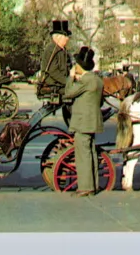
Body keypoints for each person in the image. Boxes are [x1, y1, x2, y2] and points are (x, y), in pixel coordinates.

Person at [63, 46, 104, 197]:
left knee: (83, 155)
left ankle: (85, 187)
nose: (74, 66)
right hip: (92, 122)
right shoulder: (97, 80)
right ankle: (93, 185)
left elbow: (68, 93)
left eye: (76, 65)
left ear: (80, 67)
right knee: (91, 152)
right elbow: (99, 102)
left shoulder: (85, 80)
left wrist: (71, 77)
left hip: (82, 123)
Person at [39, 20, 73, 124]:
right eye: (66, 36)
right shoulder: (52, 49)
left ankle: (72, 120)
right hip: (53, 83)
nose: (68, 39)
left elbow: (68, 68)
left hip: (59, 83)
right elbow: (53, 72)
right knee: (79, 92)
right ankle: (77, 120)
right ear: (58, 37)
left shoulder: (61, 50)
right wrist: (68, 83)